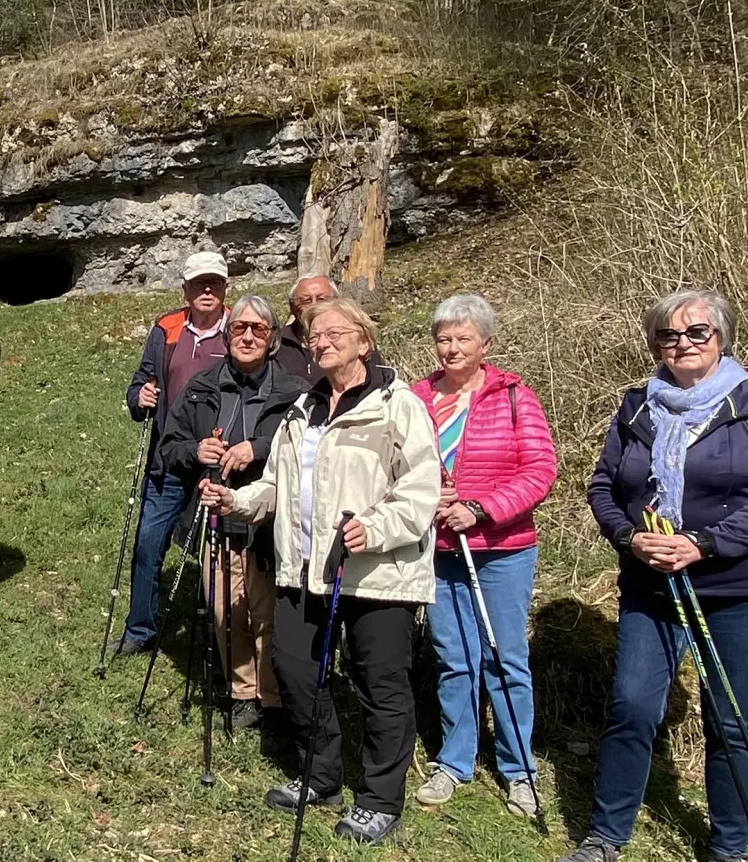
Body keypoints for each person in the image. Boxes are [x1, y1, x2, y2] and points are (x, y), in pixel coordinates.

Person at [558, 290, 748, 862]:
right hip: (652, 586)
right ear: (654, 344)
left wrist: (703, 542)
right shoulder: (637, 405)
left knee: (729, 719)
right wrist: (629, 537)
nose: (683, 344)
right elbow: (604, 486)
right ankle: (605, 837)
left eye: (697, 333)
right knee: (632, 709)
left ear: (720, 338)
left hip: (738, 585)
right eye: (668, 336)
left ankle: (729, 847)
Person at [201, 297, 437, 844]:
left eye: (335, 333)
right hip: (303, 568)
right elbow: (277, 486)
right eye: (314, 335)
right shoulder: (302, 409)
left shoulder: (397, 405)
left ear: (363, 339)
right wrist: (234, 502)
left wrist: (374, 529)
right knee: (295, 670)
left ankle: (379, 798)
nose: (322, 342)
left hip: (377, 574)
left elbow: (421, 487)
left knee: (381, 685)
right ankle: (321, 774)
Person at [408, 294, 557, 817]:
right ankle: (454, 761)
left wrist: (482, 509)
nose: (451, 348)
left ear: (485, 344)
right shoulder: (415, 397)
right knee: (453, 658)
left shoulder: (514, 396)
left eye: (463, 338)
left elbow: (539, 471)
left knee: (504, 657)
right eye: (444, 338)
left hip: (502, 549)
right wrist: (428, 502)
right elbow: (397, 468)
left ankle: (518, 769)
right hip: (440, 549)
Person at [158, 295, 305, 731]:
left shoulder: (294, 393)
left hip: (267, 522)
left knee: (267, 614)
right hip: (214, 520)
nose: (247, 336)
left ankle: (274, 698)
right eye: (239, 328)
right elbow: (168, 446)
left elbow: (304, 448)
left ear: (273, 339)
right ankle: (242, 693)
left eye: (258, 329)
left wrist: (257, 449)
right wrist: (194, 450)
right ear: (226, 334)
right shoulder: (202, 386)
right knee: (225, 612)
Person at [107, 251, 231, 657]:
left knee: (214, 552)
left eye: (213, 282)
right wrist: (138, 397)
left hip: (219, 461)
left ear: (225, 287)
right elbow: (139, 383)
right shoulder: (167, 328)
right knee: (148, 544)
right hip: (169, 456)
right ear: (186, 290)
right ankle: (140, 629)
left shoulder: (241, 329)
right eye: (199, 283)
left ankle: (220, 636)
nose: (206, 290)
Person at [276, 274, 383, 382]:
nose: (314, 305)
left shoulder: (353, 338)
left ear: (336, 301)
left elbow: (378, 379)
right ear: (292, 307)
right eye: (305, 300)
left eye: (322, 299)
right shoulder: (276, 343)